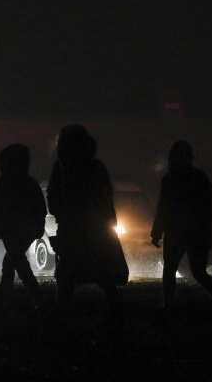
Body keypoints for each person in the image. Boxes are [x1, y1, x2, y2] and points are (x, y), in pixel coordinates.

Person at [47, 125, 128, 318]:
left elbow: (53, 196)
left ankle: (63, 314)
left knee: (68, 275)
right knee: (102, 273)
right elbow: (106, 198)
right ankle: (114, 313)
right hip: (95, 229)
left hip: (74, 229)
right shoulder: (95, 166)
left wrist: (62, 213)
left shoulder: (61, 167)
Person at [151, 141, 212, 310]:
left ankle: (169, 306)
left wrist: (157, 231)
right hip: (197, 232)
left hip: (176, 231)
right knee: (197, 272)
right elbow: (209, 209)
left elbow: (163, 207)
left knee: (170, 271)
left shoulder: (170, 179)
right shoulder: (200, 178)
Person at [0, 143, 47, 309]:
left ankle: (36, 298)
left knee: (17, 262)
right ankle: (5, 297)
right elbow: (40, 208)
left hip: (10, 229)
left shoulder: (4, 182)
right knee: (12, 261)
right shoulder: (30, 182)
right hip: (26, 229)